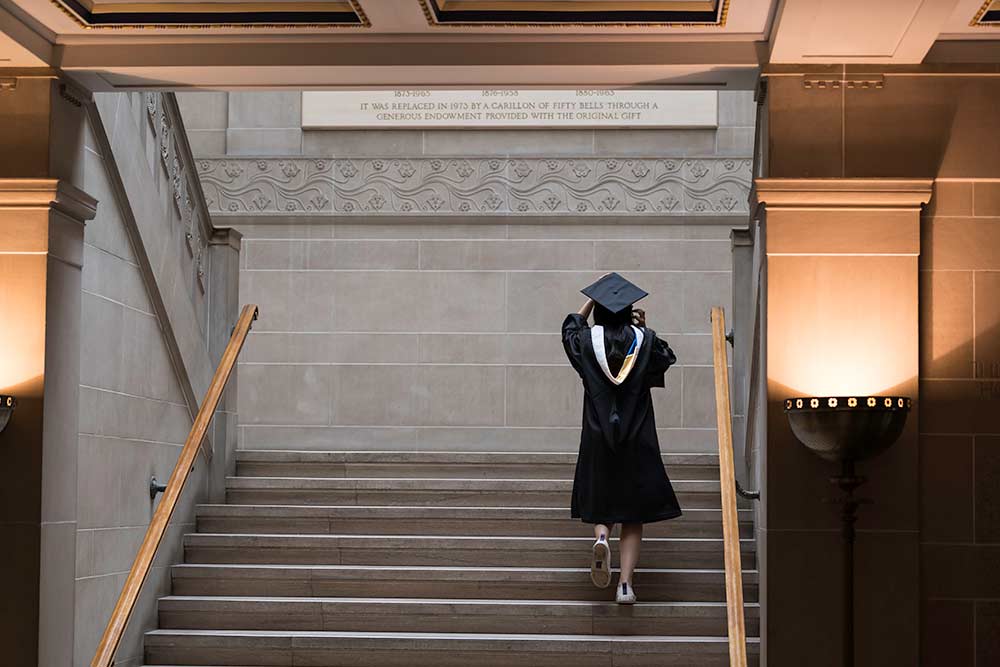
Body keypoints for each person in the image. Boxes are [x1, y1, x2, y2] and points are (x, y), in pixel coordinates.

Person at [561, 272, 681, 605]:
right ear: (630, 313)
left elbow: (569, 331)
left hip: (599, 436)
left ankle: (601, 537)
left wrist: (590, 302)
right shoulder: (644, 340)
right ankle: (625, 585)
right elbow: (665, 358)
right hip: (637, 437)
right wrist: (643, 327)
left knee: (602, 499)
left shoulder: (586, 343)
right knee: (633, 513)